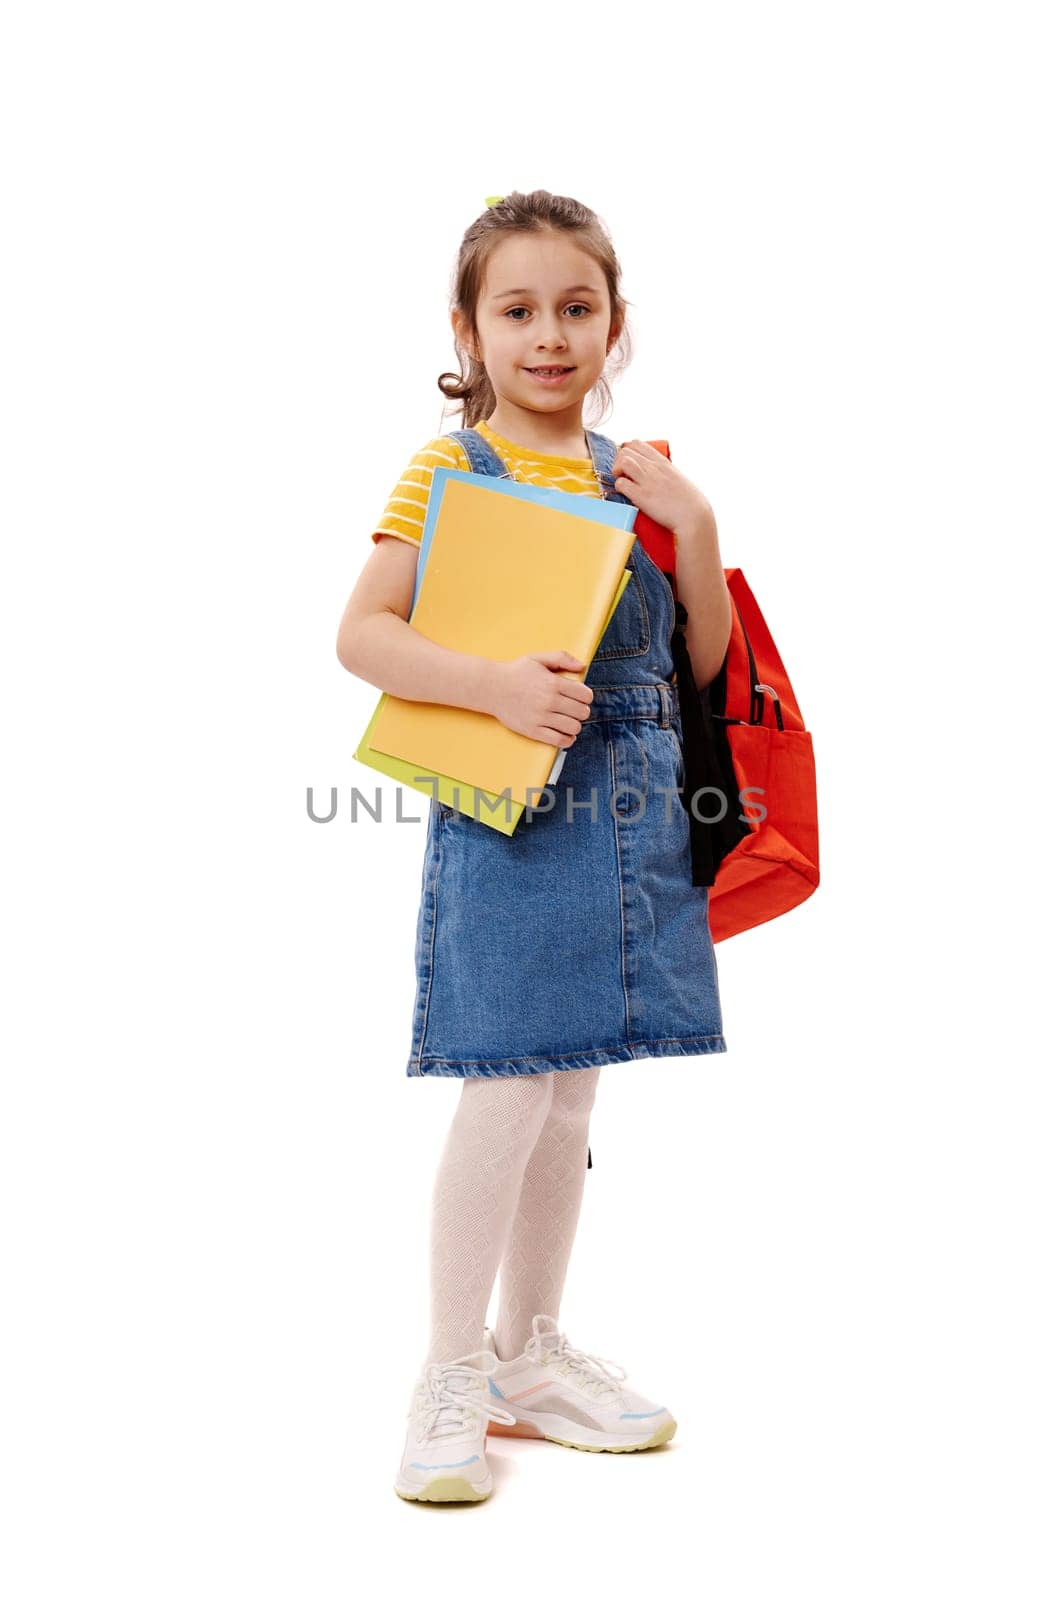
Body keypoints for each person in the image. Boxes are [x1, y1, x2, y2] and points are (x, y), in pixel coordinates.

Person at [335, 189, 734, 1504]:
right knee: (505, 1078)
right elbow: (363, 635)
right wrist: (494, 687)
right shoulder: (450, 470)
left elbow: (697, 670)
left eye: (576, 307)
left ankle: (528, 1353)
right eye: (518, 310)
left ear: (616, 324)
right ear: (468, 328)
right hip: (511, 808)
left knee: (572, 1089)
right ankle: (449, 1364)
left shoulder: (637, 476)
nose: (549, 335)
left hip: (632, 808)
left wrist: (698, 532)